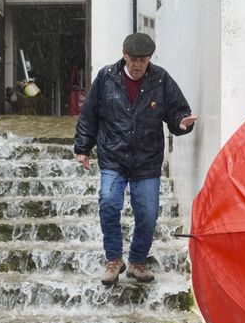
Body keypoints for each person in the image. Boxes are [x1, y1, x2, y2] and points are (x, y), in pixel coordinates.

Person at [74, 33, 197, 285]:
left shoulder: (161, 79)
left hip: (147, 160)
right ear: (124, 55)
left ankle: (137, 262)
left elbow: (177, 112)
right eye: (133, 59)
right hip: (113, 157)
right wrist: (83, 148)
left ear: (149, 58)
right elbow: (89, 116)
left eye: (143, 60)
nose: (137, 65)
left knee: (148, 215)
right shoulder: (106, 78)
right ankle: (113, 261)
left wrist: (182, 123)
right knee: (108, 203)